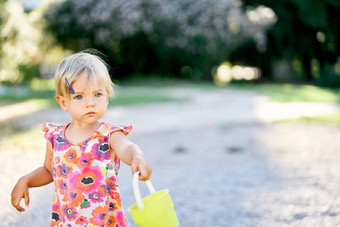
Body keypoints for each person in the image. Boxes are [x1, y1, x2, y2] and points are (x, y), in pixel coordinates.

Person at [11, 51, 152, 226]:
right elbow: (49, 171)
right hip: (68, 221)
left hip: (105, 221)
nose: (90, 103)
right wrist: (26, 180)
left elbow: (127, 149)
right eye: (79, 96)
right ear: (64, 102)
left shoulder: (109, 134)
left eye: (97, 94)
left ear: (107, 97)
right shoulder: (55, 138)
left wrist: (137, 156)